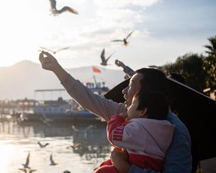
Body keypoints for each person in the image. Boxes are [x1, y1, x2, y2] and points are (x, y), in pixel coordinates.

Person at [38, 51, 192, 173]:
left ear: (146, 92)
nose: (124, 91)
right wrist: (57, 69)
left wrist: (123, 166)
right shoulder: (125, 112)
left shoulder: (176, 131)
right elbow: (88, 99)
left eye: (130, 86)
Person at [95, 89, 175, 173]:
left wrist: (116, 119)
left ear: (142, 111)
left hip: (138, 165)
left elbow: (114, 136)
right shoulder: (162, 128)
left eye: (132, 104)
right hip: (148, 166)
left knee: (103, 170)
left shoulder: (140, 128)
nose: (128, 107)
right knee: (106, 163)